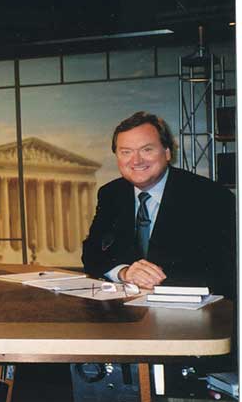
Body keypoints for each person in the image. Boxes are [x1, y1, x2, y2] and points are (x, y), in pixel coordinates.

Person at [82, 111, 236, 298]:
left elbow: (226, 269)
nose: (136, 160)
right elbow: (92, 254)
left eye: (147, 150)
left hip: (189, 308)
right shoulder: (111, 193)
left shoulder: (211, 197)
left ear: (167, 152)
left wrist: (156, 280)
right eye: (126, 152)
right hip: (125, 310)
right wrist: (124, 272)